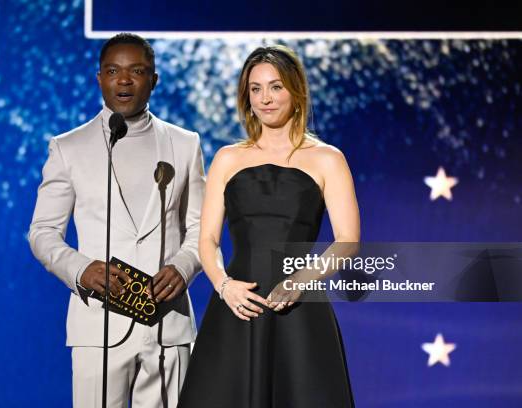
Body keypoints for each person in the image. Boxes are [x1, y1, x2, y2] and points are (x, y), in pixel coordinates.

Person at [29, 33, 205, 408]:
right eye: (113, 71)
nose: (124, 81)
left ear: (153, 80)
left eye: (136, 71)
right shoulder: (68, 147)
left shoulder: (185, 144)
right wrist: (81, 270)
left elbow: (202, 228)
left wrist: (184, 266)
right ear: (99, 79)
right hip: (98, 323)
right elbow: (43, 232)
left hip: (167, 325)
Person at [178, 45, 359, 407]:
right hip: (237, 307)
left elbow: (348, 241)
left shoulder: (327, 159)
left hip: (299, 308)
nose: (265, 98)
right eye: (256, 89)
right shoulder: (228, 158)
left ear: (296, 90)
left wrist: (299, 282)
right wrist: (223, 285)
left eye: (275, 87)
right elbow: (208, 238)